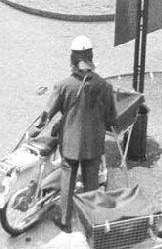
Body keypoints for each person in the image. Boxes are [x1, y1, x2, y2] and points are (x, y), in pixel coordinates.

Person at [37, 35, 116, 233]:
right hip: (93, 144)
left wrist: (37, 129)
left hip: (70, 144)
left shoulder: (63, 85)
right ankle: (91, 224)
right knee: (91, 185)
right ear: (91, 57)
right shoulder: (103, 85)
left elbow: (47, 114)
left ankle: (65, 221)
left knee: (67, 181)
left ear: (73, 59)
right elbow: (111, 117)